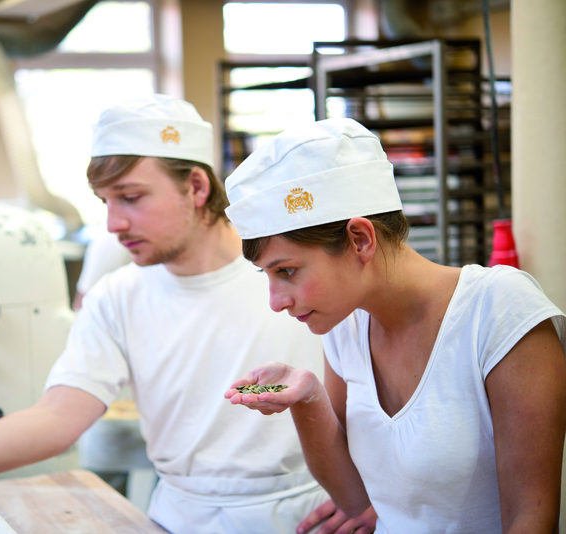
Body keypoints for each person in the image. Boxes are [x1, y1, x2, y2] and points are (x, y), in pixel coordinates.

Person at [0, 96, 376, 534]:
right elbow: (56, 417)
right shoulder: (119, 296)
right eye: (106, 202)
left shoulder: (293, 277)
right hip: (177, 517)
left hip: (310, 516)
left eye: (130, 197)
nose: (113, 224)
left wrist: (377, 495)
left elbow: (378, 400)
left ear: (196, 186)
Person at [222, 118, 566, 533]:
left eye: (287, 271)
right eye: (268, 275)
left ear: (360, 239)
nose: (276, 302)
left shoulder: (498, 311)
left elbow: (531, 518)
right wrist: (307, 397)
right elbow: (354, 498)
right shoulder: (346, 327)